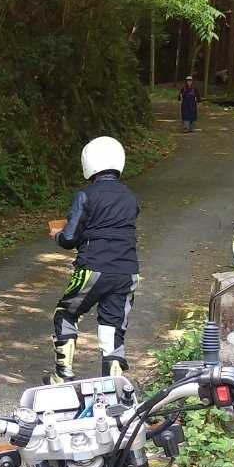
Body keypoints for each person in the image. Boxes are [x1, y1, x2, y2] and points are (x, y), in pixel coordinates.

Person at [48, 136, 140, 383]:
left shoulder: (85, 195)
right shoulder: (130, 197)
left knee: (65, 313)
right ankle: (113, 387)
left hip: (93, 270)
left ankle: (62, 375)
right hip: (127, 273)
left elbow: (69, 238)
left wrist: (57, 234)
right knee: (112, 327)